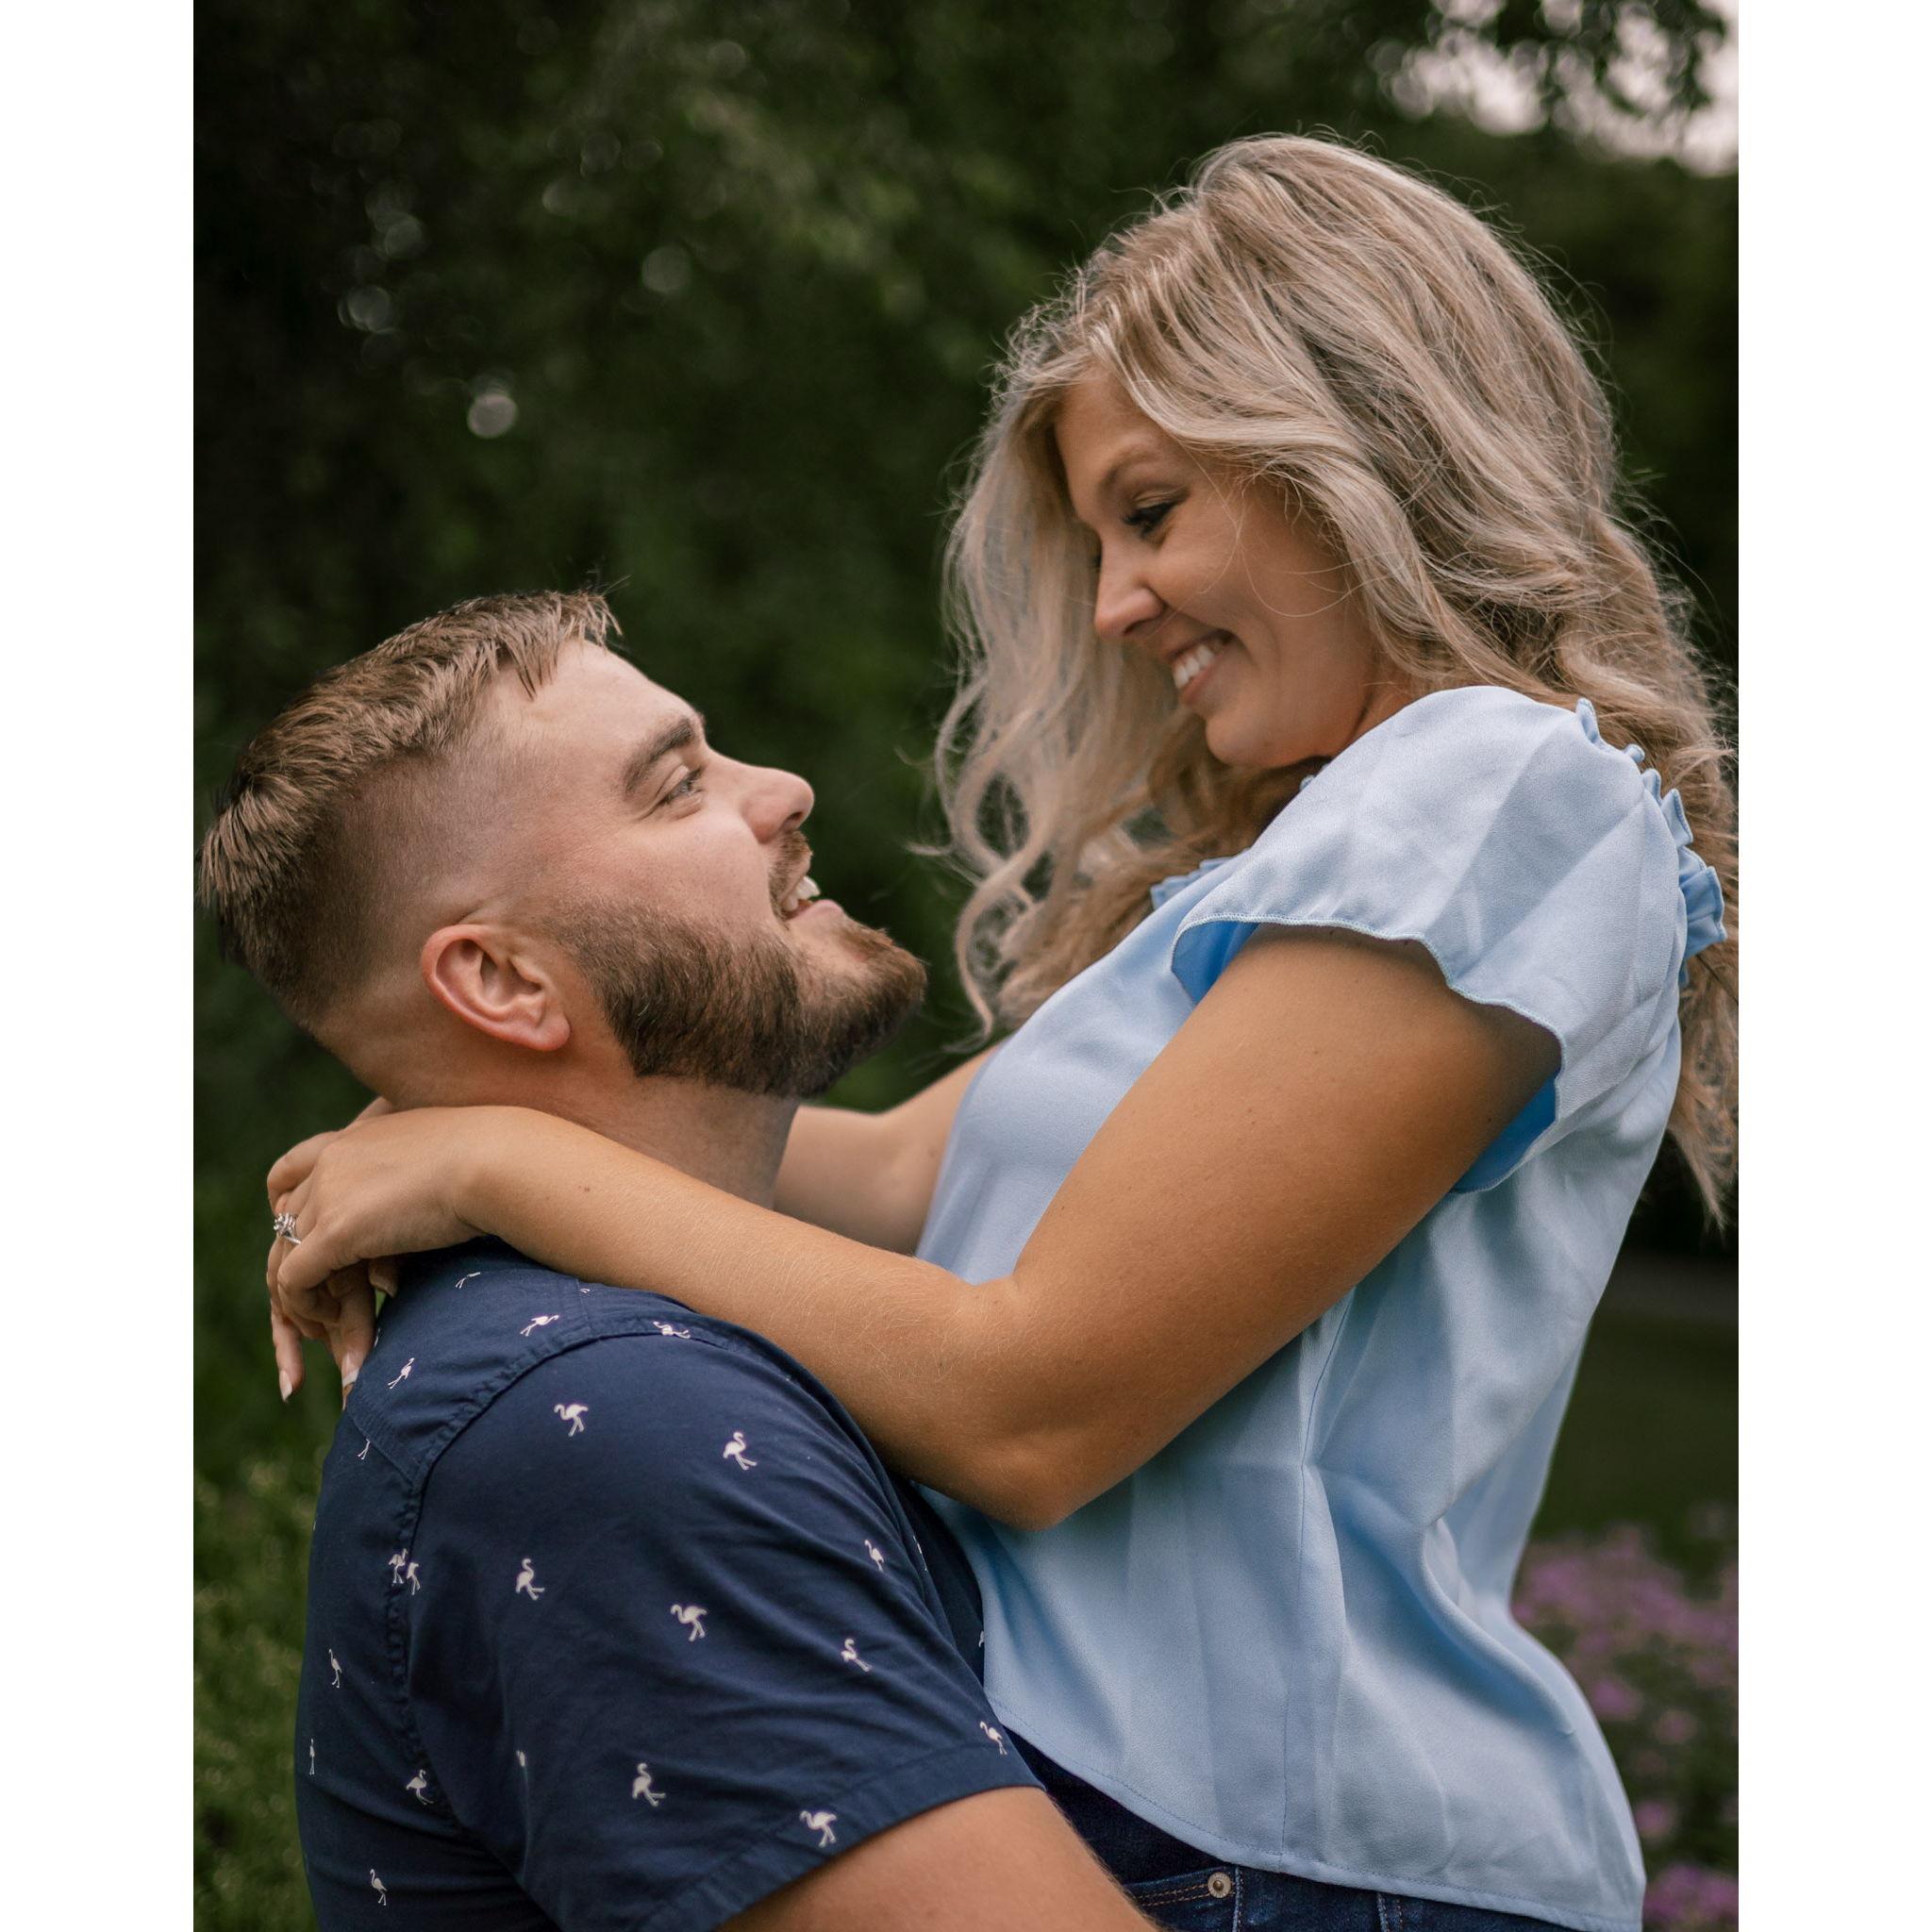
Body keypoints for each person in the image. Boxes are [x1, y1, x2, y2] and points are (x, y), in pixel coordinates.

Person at [263, 136, 1735, 1932]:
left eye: (1151, 510)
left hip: (1295, 1844)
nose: (1113, 603)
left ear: (1347, 449)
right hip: (1150, 1804)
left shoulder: (1497, 795)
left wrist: (496, 1157)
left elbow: (1035, 1404)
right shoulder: (1297, 867)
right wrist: (448, 1107)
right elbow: (890, 1176)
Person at [197, 594, 1184, 1931]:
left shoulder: (612, 1349)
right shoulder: (611, 1424)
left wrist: (484, 1143)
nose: (784, 790)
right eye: (677, 788)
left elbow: (938, 1158)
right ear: (504, 982)